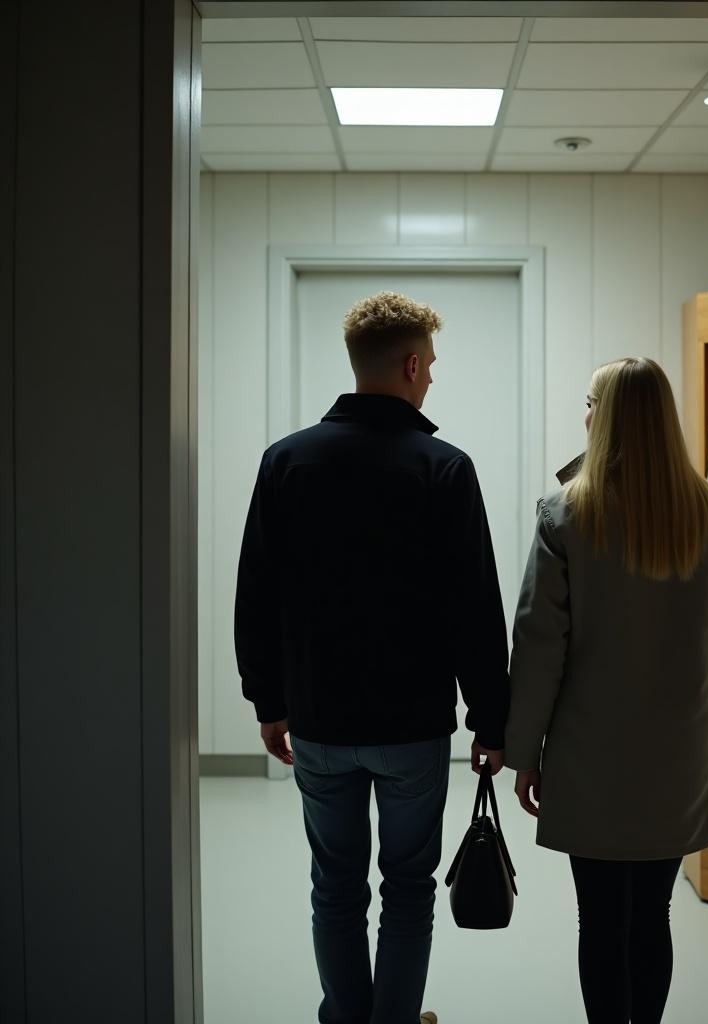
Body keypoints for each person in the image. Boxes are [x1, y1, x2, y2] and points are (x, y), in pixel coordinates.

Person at [234, 291, 510, 1024]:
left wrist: (268, 702)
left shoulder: (285, 461)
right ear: (412, 363)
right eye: (432, 366)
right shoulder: (444, 467)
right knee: (408, 886)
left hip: (319, 722)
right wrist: (491, 718)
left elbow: (254, 593)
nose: (432, 379)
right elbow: (474, 607)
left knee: (334, 885)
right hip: (412, 726)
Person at [504, 357, 708, 1024]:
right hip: (682, 754)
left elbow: (537, 648)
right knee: (654, 912)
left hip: (589, 758)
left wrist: (523, 751)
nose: (584, 414)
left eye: (590, 403)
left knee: (600, 917)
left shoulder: (565, 516)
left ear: (609, 416)